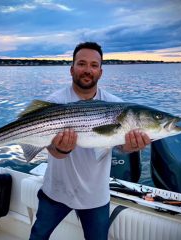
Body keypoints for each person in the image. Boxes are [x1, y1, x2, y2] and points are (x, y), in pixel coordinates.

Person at [29, 42, 151, 240]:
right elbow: (53, 150)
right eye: (82, 64)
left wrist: (129, 147)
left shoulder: (117, 106)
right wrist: (61, 149)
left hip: (96, 196)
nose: (88, 70)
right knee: (38, 237)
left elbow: (118, 145)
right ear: (72, 69)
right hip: (56, 191)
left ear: (101, 72)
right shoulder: (55, 101)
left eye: (94, 65)